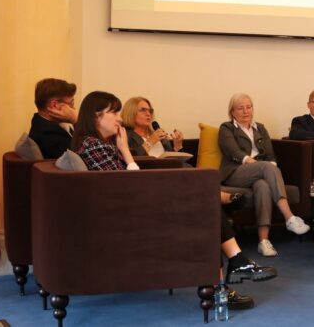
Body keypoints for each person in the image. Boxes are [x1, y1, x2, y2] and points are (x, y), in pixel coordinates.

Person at [72, 91, 274, 309]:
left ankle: (228, 276)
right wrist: (125, 151)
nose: (119, 119)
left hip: (133, 207)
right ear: (95, 117)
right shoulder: (95, 146)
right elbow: (129, 187)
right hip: (130, 216)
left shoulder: (100, 143)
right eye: (113, 113)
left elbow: (127, 184)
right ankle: (231, 270)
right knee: (206, 203)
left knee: (206, 204)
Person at [219, 93, 310, 257]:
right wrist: (259, 165)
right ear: (232, 112)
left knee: (263, 186)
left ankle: (263, 241)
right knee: (266, 168)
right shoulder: (227, 128)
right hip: (235, 172)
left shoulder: (260, 128)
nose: (246, 111)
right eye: (240, 108)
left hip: (260, 172)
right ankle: (289, 217)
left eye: (249, 107)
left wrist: (270, 171)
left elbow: (270, 155)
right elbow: (233, 151)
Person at [28, 78, 78, 159]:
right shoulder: (51, 136)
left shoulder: (39, 122)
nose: (73, 108)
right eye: (71, 103)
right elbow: (90, 155)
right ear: (54, 105)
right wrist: (76, 120)